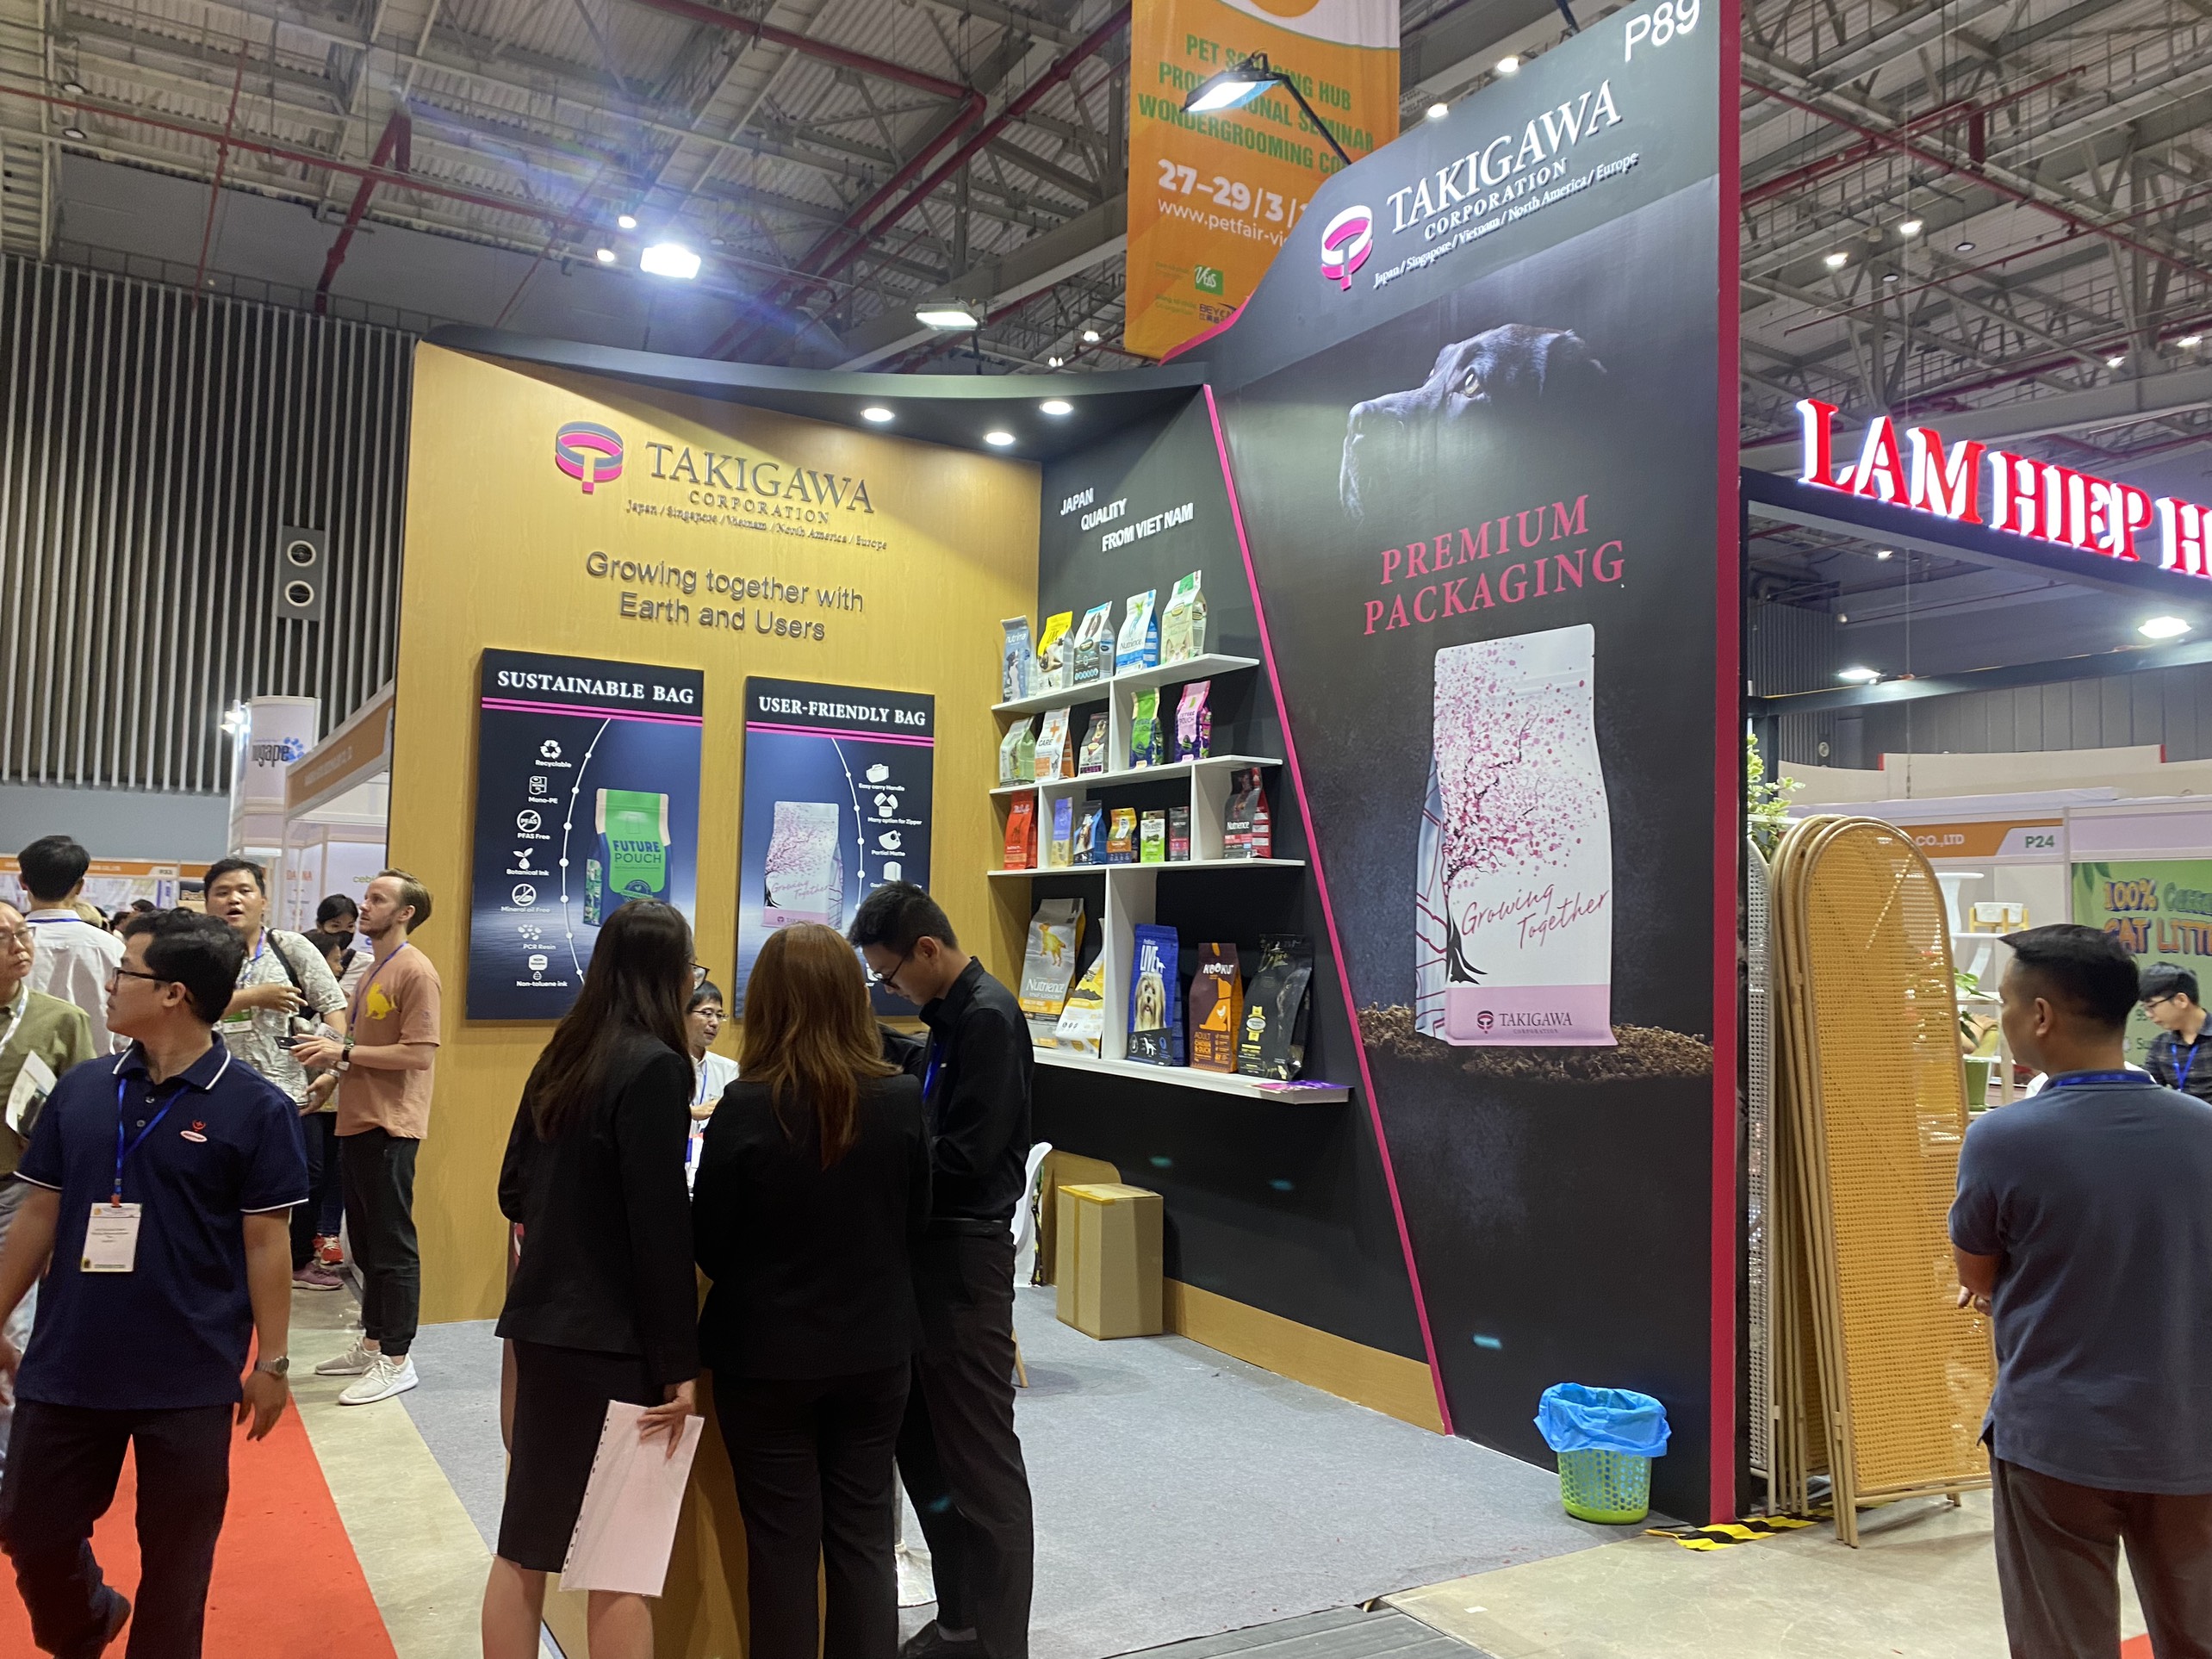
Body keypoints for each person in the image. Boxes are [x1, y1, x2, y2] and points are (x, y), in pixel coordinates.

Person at [0, 909, 304, 1657]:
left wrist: (272, 1362)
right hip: (70, 1357)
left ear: (173, 993)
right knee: (30, 1530)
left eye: (125, 971)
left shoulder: (256, 1107)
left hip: (190, 1368)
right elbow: (39, 1212)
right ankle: (87, 1619)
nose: (109, 984)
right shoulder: (83, 1089)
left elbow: (267, 1242)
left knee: (177, 1561)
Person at [1951, 924, 2212, 1657]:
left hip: (2055, 1438)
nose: (2000, 1019)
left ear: (2040, 1016)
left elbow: (1976, 1274)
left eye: (2005, 1003)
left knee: (2061, 1642)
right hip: (2190, 1433)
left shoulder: (2003, 1139)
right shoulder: (2203, 1129)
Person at [693, 923, 930, 1659]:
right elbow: (917, 1222)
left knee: (781, 1547)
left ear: (767, 1002)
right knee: (863, 1539)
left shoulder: (746, 1104)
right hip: (876, 1351)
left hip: (765, 1358)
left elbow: (710, 1243)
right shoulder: (900, 1098)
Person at [482, 899, 699, 1659]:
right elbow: (659, 1230)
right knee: (620, 1561)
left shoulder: (563, 1054)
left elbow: (511, 1189)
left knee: (524, 1545)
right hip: (615, 1339)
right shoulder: (657, 1066)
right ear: (670, 975)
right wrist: (680, 1365)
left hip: (542, 1324)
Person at [848, 883, 1034, 1659]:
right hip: (924, 1261)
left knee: (981, 1466)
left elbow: (966, 1156)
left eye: (890, 975)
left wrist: (872, 1166)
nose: (889, 988)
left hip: (963, 1262)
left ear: (927, 949)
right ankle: (959, 1622)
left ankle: (1000, 1644)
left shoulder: (989, 1016)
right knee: (923, 1455)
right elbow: (926, 1079)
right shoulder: (951, 1020)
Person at [293, 871, 441, 1407]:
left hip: (390, 1124)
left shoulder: (416, 970)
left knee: (391, 1245)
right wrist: (331, 1076)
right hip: (357, 1119)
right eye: (367, 896)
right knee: (368, 1242)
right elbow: (358, 1041)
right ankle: (374, 1342)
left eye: (378, 899)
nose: (365, 905)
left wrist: (342, 1055)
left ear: (405, 912)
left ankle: (397, 1359)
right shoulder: (373, 969)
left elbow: (419, 1054)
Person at [202, 858, 351, 1292]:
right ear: (207, 902)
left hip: (285, 1094)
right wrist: (253, 996)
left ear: (263, 900)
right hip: (211, 1093)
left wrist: (332, 1069)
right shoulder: (196, 951)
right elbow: (185, 1009)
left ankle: (288, 1269)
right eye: (222, 892)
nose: (233, 900)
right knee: (216, 1188)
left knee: (291, 1187)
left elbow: (333, 1009)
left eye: (244, 890)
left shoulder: (290, 947)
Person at [0, 899, 96, 1476]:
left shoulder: (61, 1020)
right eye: (3, 937)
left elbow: (85, 1120)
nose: (20, 946)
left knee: (17, 1328)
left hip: (19, 1191)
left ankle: (15, 1468)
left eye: (22, 934)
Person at [16, 837, 124, 1055]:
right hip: (98, 1069)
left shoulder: (11, 946)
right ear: (80, 886)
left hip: (15, 1069)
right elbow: (125, 1034)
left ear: (22, 881)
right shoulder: (113, 947)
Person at [298, 930, 355, 1271]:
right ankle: (300, 1248)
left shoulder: (340, 1005)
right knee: (313, 1171)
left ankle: (326, 1235)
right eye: (334, 960)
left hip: (338, 1100)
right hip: (302, 1100)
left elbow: (350, 1044)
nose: (338, 968)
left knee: (335, 1172)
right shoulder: (288, 1002)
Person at [685, 980, 739, 1185]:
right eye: (707, 1013)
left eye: (720, 1015)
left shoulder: (730, 1070)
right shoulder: (663, 1065)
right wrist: (690, 1112)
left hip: (709, 1174)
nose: (715, 1023)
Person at [2138, 962, 2212, 1104]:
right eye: (2145, 1008)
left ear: (2181, 1000)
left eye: (2152, 1006)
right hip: (2181, 1116)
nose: (2148, 1014)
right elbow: (2147, 1091)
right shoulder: (2160, 1045)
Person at [316, 895, 369, 1001]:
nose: (343, 931)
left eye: (350, 926)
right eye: (335, 926)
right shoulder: (306, 958)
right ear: (320, 926)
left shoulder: (367, 964)